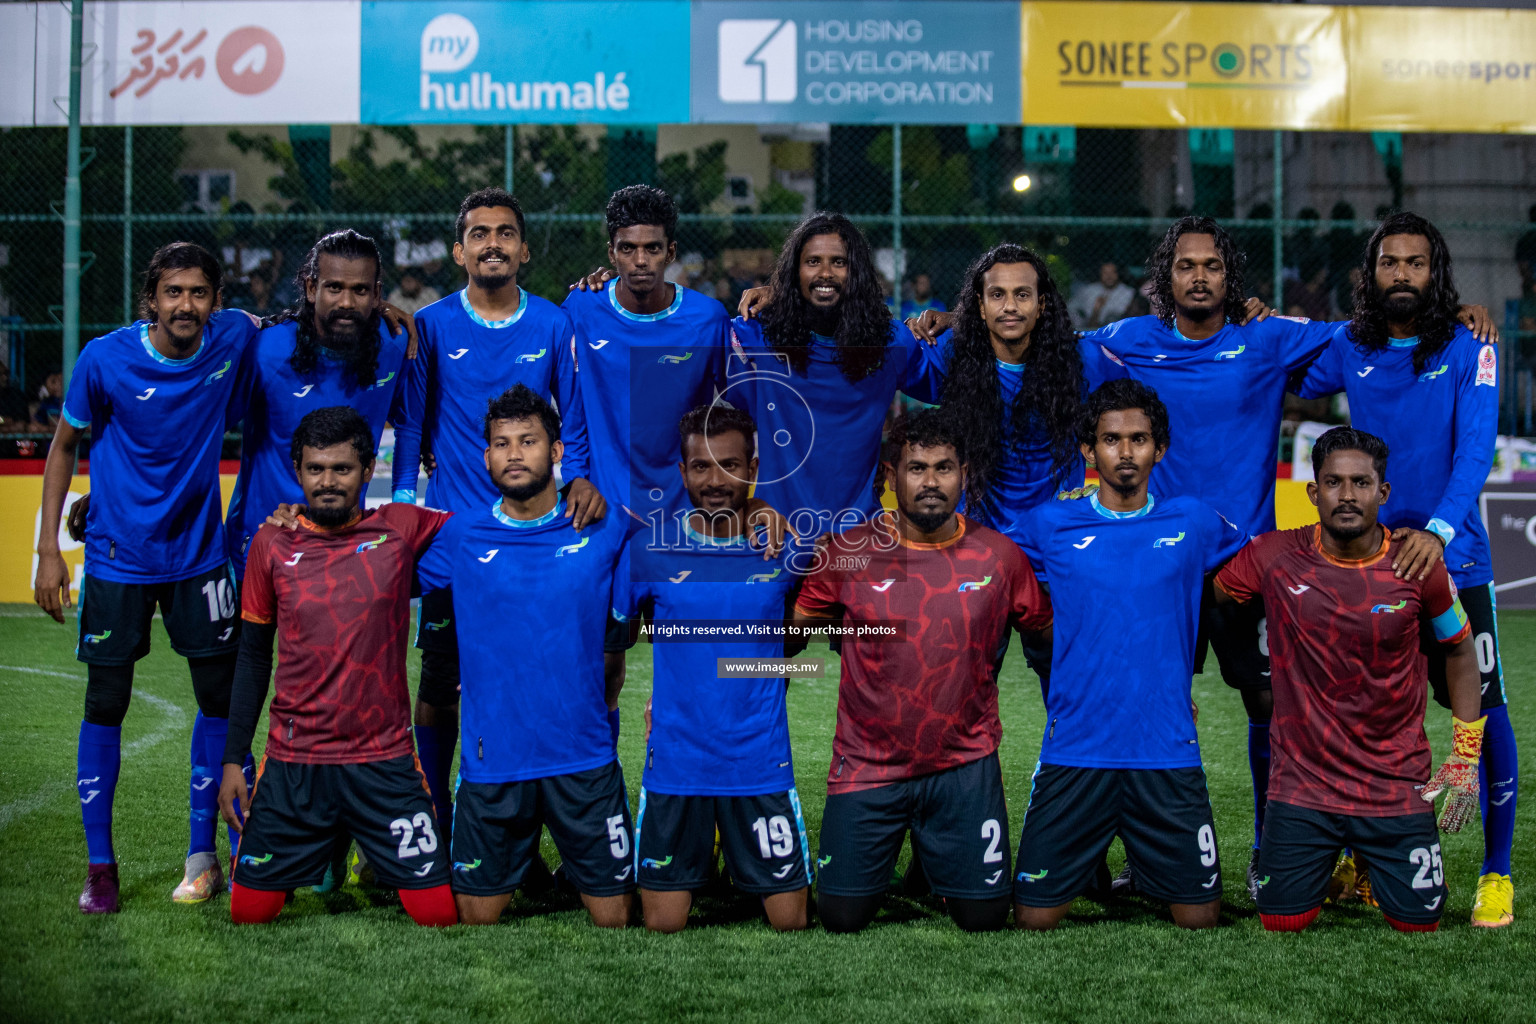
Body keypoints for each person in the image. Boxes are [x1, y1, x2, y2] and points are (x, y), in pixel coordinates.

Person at [1295, 213, 1517, 927]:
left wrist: (1441, 533)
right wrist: (1254, 318)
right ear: (1371, 273)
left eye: (1415, 264)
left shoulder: (1471, 343)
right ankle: (1362, 858)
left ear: (1435, 271)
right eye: (1388, 263)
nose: (1401, 275)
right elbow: (1285, 362)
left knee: (1483, 712)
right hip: (1377, 565)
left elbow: (1476, 449)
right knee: (1380, 712)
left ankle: (1496, 874)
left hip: (1458, 559)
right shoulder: (1349, 347)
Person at [33, 242, 259, 913]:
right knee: (106, 703)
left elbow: (292, 323)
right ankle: (100, 867)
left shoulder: (233, 339)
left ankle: (205, 855)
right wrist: (48, 549)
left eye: (198, 293)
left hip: (198, 555)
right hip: (115, 558)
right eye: (173, 293)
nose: (185, 305)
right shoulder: (103, 359)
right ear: (150, 300)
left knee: (221, 700)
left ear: (215, 301)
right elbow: (63, 447)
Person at [391, 188, 604, 836]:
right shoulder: (429, 326)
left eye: (505, 233)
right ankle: (435, 821)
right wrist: (405, 506)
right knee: (439, 688)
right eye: (479, 233)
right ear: (459, 250)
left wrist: (583, 480)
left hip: (535, 542)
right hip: (454, 546)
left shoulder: (551, 323)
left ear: (524, 248)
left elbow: (576, 411)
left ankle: (538, 831)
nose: (492, 243)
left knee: (534, 681)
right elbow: (409, 426)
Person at [1212, 427, 1482, 933]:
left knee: (1420, 925)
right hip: (1302, 787)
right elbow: (1203, 602)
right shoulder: (1273, 556)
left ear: (1383, 493)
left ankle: (1367, 866)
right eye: (1333, 483)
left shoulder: (1419, 565)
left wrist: (1466, 753)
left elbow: (1461, 650)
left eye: (1361, 483)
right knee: (1282, 922)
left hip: (1395, 784)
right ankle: (1337, 866)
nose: (1347, 495)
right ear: (1313, 493)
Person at [792, 408, 1052, 933]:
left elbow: (1051, 649)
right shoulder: (846, 553)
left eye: (944, 468)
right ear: (891, 477)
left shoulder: (1001, 558)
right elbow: (785, 642)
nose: (931, 482)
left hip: (964, 765)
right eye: (916, 468)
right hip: (868, 765)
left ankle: (936, 863)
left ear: (965, 474)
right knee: (841, 919)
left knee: (983, 919)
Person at [1011, 379, 1246, 931]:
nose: (1125, 451)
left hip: (1165, 746)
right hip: (1076, 745)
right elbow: (987, 562)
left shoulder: (1194, 521)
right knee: (1034, 919)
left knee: (1199, 918)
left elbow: (1258, 565)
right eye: (1110, 439)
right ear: (1089, 452)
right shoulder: (1051, 524)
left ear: (1159, 449)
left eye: (1138, 439)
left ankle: (1149, 864)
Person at [216, 406, 456, 926]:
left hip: (384, 761)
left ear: (368, 470)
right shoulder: (271, 543)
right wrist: (235, 759)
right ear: (297, 470)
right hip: (295, 761)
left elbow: (493, 529)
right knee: (249, 914)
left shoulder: (401, 527)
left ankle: (352, 843)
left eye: (342, 469)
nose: (327, 482)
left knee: (436, 914)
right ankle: (328, 844)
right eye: (315, 469)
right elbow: (254, 658)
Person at [416, 385, 635, 928]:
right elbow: (366, 553)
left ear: (557, 452)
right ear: (485, 455)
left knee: (617, 920)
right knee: (473, 918)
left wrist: (759, 507)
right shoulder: (459, 534)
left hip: (583, 760)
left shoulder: (606, 526)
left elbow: (688, 537)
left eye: (528, 441)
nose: (514, 454)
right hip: (495, 764)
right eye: (501, 443)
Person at [616, 404, 810, 933]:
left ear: (752, 467)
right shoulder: (650, 550)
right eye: (701, 467)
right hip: (679, 761)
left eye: (730, 464)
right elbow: (618, 640)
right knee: (663, 923)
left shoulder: (785, 545)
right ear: (681, 473)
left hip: (759, 757)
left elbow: (799, 635)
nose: (715, 479)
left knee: (791, 922)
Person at [731, 212, 941, 539]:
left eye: (839, 262)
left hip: (859, 540)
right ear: (794, 272)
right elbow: (683, 383)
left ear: (856, 273)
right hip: (777, 537)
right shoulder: (757, 335)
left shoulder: (890, 343)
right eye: (812, 261)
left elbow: (968, 381)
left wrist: (958, 317)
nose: (825, 273)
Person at [227, 230, 410, 581]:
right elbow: (204, 431)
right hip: (260, 542)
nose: (346, 302)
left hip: (340, 548)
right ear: (312, 289)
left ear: (376, 295)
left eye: (360, 290)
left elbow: (414, 424)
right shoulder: (265, 351)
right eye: (334, 288)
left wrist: (401, 506)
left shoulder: (395, 346)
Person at [1069, 262, 1136, 330]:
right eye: (1105, 273)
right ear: (1100, 274)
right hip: (1086, 326)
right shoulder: (1089, 290)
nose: (1109, 276)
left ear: (1118, 274)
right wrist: (1096, 309)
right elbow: (1072, 307)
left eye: (1112, 272)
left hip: (1113, 330)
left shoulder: (1128, 292)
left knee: (1112, 318)